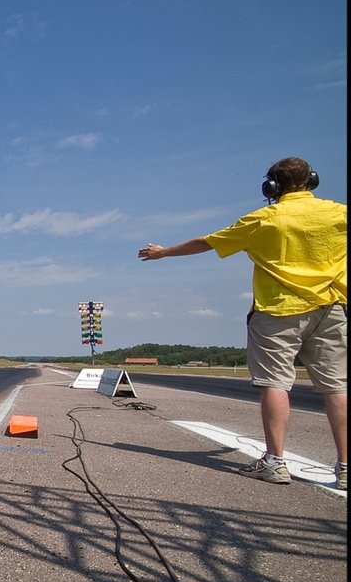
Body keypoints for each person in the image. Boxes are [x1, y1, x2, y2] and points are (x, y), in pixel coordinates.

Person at [138, 157, 347, 490]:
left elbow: (207, 242)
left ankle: (275, 462)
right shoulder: (340, 214)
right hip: (331, 308)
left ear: (272, 188)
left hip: (278, 309)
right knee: (337, 387)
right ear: (313, 181)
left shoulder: (265, 219)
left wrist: (164, 253)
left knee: (276, 384)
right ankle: (345, 467)